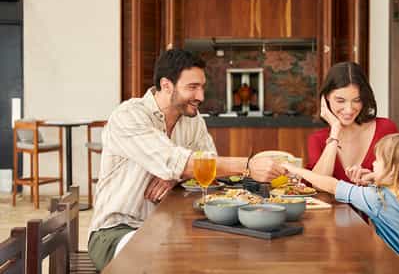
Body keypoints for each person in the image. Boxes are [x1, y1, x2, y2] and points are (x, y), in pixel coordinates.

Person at [87, 49, 286, 271]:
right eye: (192, 87)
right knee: (160, 264)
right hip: (117, 230)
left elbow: (207, 171)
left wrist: (177, 176)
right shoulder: (128, 116)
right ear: (166, 85)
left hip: (167, 226)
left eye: (202, 87)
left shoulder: (192, 120)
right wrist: (248, 166)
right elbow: (178, 162)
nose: (200, 96)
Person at [306, 61, 399, 256]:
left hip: (393, 243)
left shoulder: (385, 128)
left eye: (356, 100)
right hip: (337, 239)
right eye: (340, 100)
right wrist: (335, 131)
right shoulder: (318, 139)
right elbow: (318, 187)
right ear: (325, 100)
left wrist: (376, 179)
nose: (349, 109)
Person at [285, 133, 399, 274]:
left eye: (378, 160)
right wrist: (374, 177)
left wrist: (294, 169)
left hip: (393, 267)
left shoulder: (377, 199)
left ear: (392, 170)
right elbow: (390, 186)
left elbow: (332, 185)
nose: (373, 164)